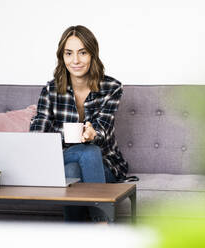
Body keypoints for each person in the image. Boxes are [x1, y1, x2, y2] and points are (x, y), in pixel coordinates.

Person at [30, 25, 136, 222]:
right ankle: (102, 224)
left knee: (85, 157)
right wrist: (66, 135)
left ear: (92, 55)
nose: (76, 60)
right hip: (61, 159)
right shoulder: (50, 90)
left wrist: (92, 135)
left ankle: (78, 233)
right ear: (62, 56)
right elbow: (37, 134)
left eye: (82, 52)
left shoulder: (112, 88)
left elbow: (103, 130)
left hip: (104, 163)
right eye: (69, 53)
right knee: (77, 159)